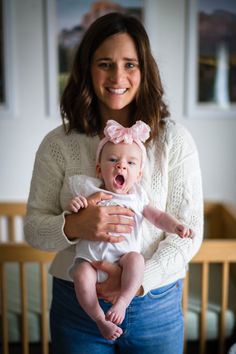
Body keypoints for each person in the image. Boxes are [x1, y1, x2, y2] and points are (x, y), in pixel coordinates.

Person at [24, 12, 203, 354]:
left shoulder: (175, 141)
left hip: (155, 305)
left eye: (130, 64)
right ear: (87, 70)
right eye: (105, 64)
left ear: (144, 70)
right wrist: (75, 226)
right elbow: (34, 228)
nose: (117, 76)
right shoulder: (58, 144)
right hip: (77, 305)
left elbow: (190, 231)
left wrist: (138, 281)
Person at [67, 119, 194, 341]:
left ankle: (123, 301)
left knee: (137, 259)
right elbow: (76, 212)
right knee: (80, 275)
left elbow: (157, 216)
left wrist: (175, 226)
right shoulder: (90, 189)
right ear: (99, 169)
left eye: (130, 163)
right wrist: (76, 205)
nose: (121, 166)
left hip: (122, 261)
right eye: (113, 160)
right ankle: (100, 319)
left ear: (139, 175)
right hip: (89, 261)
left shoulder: (137, 197)